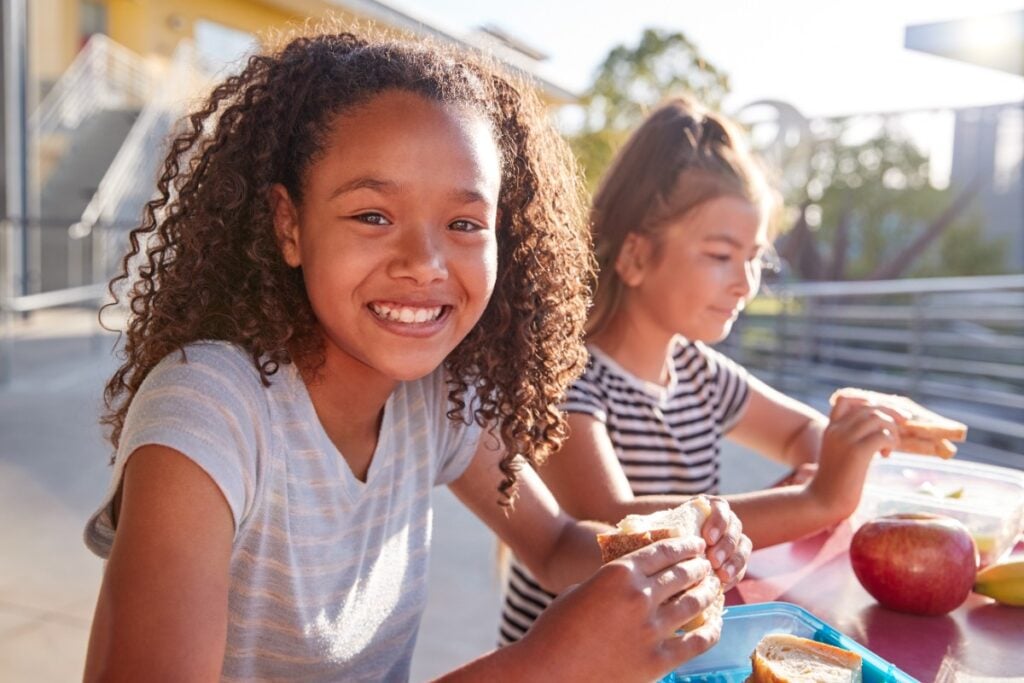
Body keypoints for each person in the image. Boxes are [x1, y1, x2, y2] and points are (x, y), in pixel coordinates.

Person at [81, 30, 749, 683]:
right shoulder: (208, 411)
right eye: (373, 215)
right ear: (290, 225)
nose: (425, 264)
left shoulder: (435, 399)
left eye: (464, 224)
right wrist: (548, 664)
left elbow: (555, 544)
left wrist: (674, 546)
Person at [499, 97, 903, 644]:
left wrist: (831, 461)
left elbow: (803, 434)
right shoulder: (570, 377)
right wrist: (816, 501)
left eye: (755, 258)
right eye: (720, 255)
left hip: (669, 653)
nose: (745, 283)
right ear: (637, 257)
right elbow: (612, 524)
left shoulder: (698, 371)